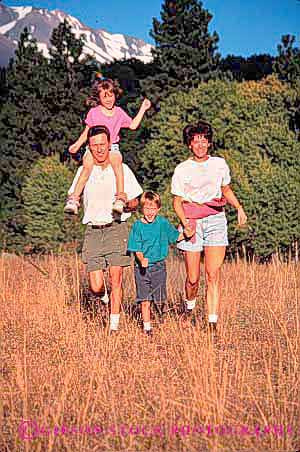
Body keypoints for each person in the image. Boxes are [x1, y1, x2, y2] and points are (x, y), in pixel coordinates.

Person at [171, 120, 247, 333]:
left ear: (209, 143)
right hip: (192, 221)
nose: (201, 145)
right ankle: (189, 308)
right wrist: (185, 224)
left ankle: (212, 324)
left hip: (215, 218)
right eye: (196, 141)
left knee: (213, 274)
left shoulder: (219, 164)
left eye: (204, 141)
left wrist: (239, 207)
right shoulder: (182, 169)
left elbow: (226, 190)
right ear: (189, 145)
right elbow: (177, 201)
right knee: (193, 278)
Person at [69, 125, 143, 334]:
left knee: (116, 278)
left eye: (103, 144)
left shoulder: (122, 169)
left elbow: (136, 200)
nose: (99, 149)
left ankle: (114, 326)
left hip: (116, 228)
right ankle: (104, 298)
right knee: (95, 285)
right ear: (89, 148)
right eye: (94, 146)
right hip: (93, 229)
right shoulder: (84, 170)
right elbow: (74, 195)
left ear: (110, 144)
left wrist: (127, 204)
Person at [65, 74, 151, 215]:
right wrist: (77, 144)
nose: (109, 99)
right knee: (86, 167)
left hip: (112, 147)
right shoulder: (94, 113)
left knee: (118, 164)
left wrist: (143, 109)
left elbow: (133, 125)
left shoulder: (118, 112)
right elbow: (87, 131)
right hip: (94, 148)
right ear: (98, 98)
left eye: (111, 95)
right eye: (105, 96)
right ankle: (74, 199)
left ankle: (120, 197)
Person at [127, 191, 194, 336]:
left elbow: (175, 237)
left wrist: (187, 234)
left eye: (153, 209)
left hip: (159, 267)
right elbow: (136, 247)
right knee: (144, 300)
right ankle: (147, 329)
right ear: (142, 209)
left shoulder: (162, 223)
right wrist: (141, 258)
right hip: (142, 268)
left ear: (158, 209)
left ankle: (160, 319)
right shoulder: (137, 226)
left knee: (159, 299)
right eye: (146, 209)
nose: (150, 212)